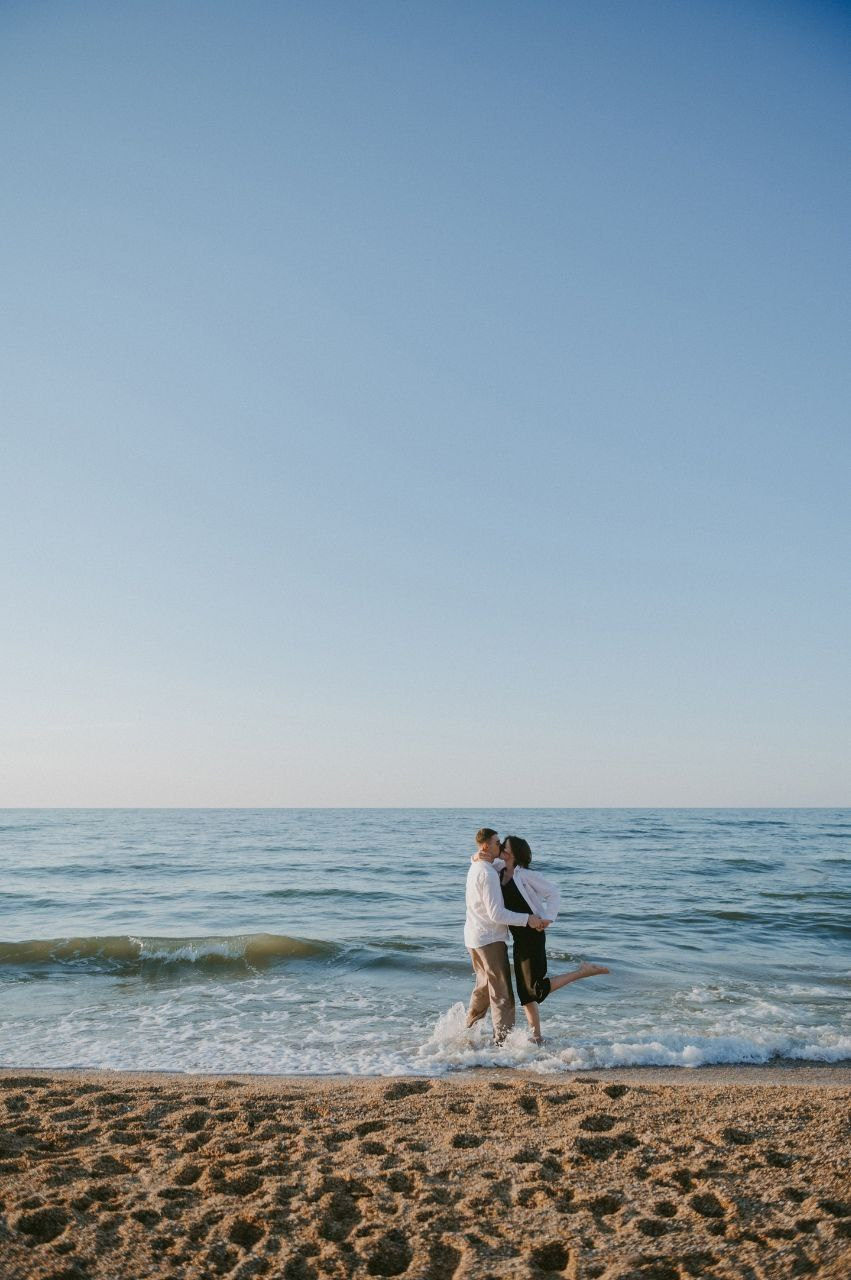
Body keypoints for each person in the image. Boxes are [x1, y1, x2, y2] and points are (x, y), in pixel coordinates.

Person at [499, 835, 610, 1045]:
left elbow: (553, 893)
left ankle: (582, 972)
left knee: (536, 989)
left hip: (533, 935)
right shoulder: (500, 871)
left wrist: (548, 918)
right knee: (525, 992)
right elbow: (481, 860)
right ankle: (537, 1036)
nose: (502, 848)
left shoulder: (526, 875)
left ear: (514, 853)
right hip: (518, 935)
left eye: (506, 846)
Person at [464, 827, 547, 1044]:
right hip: (489, 939)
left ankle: (467, 1030)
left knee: (483, 988)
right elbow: (496, 913)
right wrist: (527, 919)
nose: (500, 846)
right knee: (503, 996)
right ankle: (503, 1045)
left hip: (474, 937)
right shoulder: (488, 873)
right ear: (485, 846)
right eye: (496, 842)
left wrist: (473, 856)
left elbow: (504, 864)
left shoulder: (478, 866)